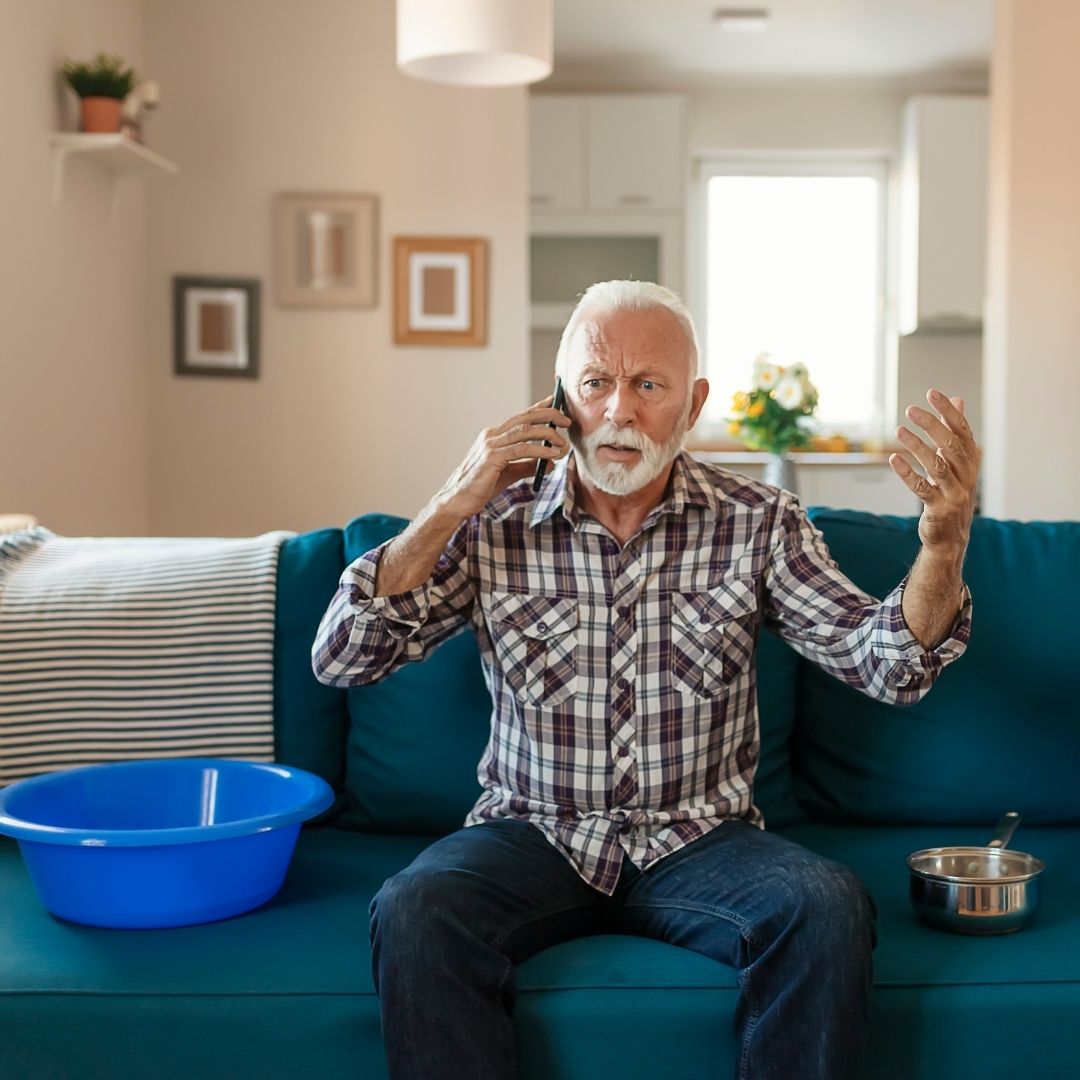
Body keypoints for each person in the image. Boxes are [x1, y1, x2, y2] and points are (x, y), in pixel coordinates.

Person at [311, 280, 977, 1080]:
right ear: (562, 398)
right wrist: (453, 502)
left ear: (692, 403)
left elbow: (889, 669)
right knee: (416, 910)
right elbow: (343, 658)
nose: (619, 409)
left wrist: (942, 547)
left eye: (648, 385)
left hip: (703, 840)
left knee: (825, 905)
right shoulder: (494, 521)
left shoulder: (759, 522)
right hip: (531, 832)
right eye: (596, 383)